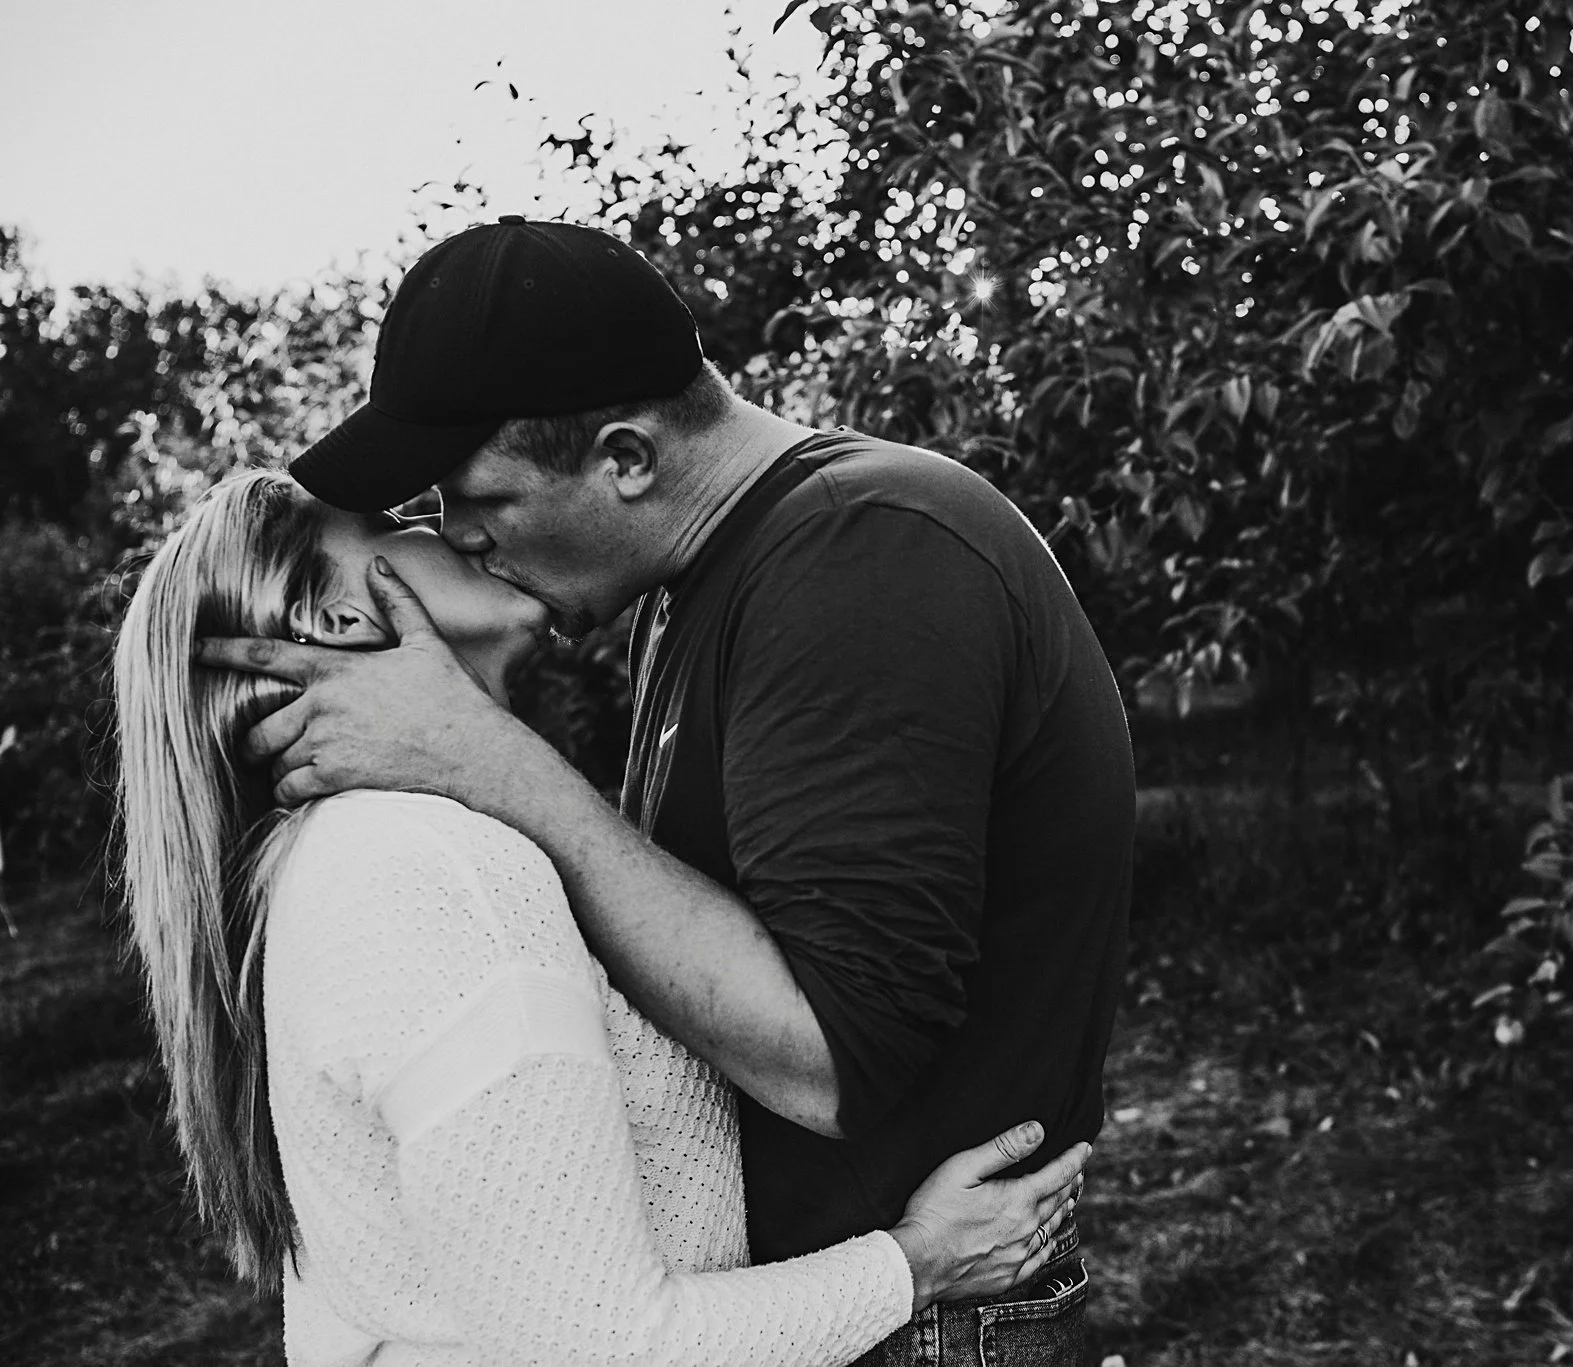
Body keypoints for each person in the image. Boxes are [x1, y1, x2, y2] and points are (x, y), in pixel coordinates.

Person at [201, 216, 1136, 1365]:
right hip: (839, 1306)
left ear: (626, 458)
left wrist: (491, 763)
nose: (457, 534)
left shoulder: (865, 553)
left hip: (929, 1322)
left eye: (474, 495)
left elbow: (826, 1056)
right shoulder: (705, 587)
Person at [114, 467, 1090, 1366]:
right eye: (392, 521)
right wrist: (919, 1263)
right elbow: (602, 1344)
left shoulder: (361, 850)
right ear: (328, 615)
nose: (446, 523)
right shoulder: (425, 867)